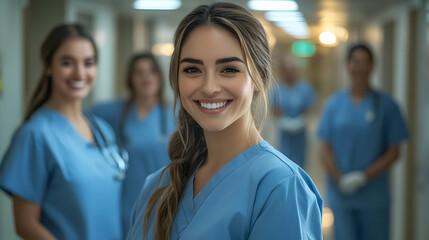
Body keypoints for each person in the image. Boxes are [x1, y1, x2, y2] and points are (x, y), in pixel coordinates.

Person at [127, 3, 323, 240]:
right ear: (176, 79)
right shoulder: (157, 187)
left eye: (229, 69)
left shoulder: (279, 186)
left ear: (259, 76)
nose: (209, 87)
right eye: (192, 70)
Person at [0, 24, 125, 240]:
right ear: (48, 66)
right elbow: (26, 225)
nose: (80, 73)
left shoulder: (102, 130)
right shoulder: (35, 135)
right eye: (67, 63)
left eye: (89, 63)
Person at [317, 44, 409, 240]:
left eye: (364, 63)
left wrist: (363, 177)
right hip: (341, 195)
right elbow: (324, 148)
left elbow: (394, 151)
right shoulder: (334, 104)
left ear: (372, 67)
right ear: (348, 66)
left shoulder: (387, 105)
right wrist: (339, 179)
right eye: (355, 62)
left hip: (373, 197)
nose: (359, 67)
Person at [91, 52, 176, 235]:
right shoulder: (115, 112)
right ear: (130, 79)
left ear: (159, 77)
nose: (146, 77)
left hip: (164, 201)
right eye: (139, 72)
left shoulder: (176, 114)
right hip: (124, 202)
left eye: (151, 71)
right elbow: (80, 119)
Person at [272, 55, 315, 169]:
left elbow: (309, 109)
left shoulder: (305, 88)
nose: (290, 72)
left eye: (292, 69)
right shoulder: (277, 90)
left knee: (300, 165)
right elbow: (275, 110)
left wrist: (300, 121)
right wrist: (283, 122)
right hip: (283, 136)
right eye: (287, 69)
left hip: (300, 136)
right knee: (283, 163)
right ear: (282, 71)